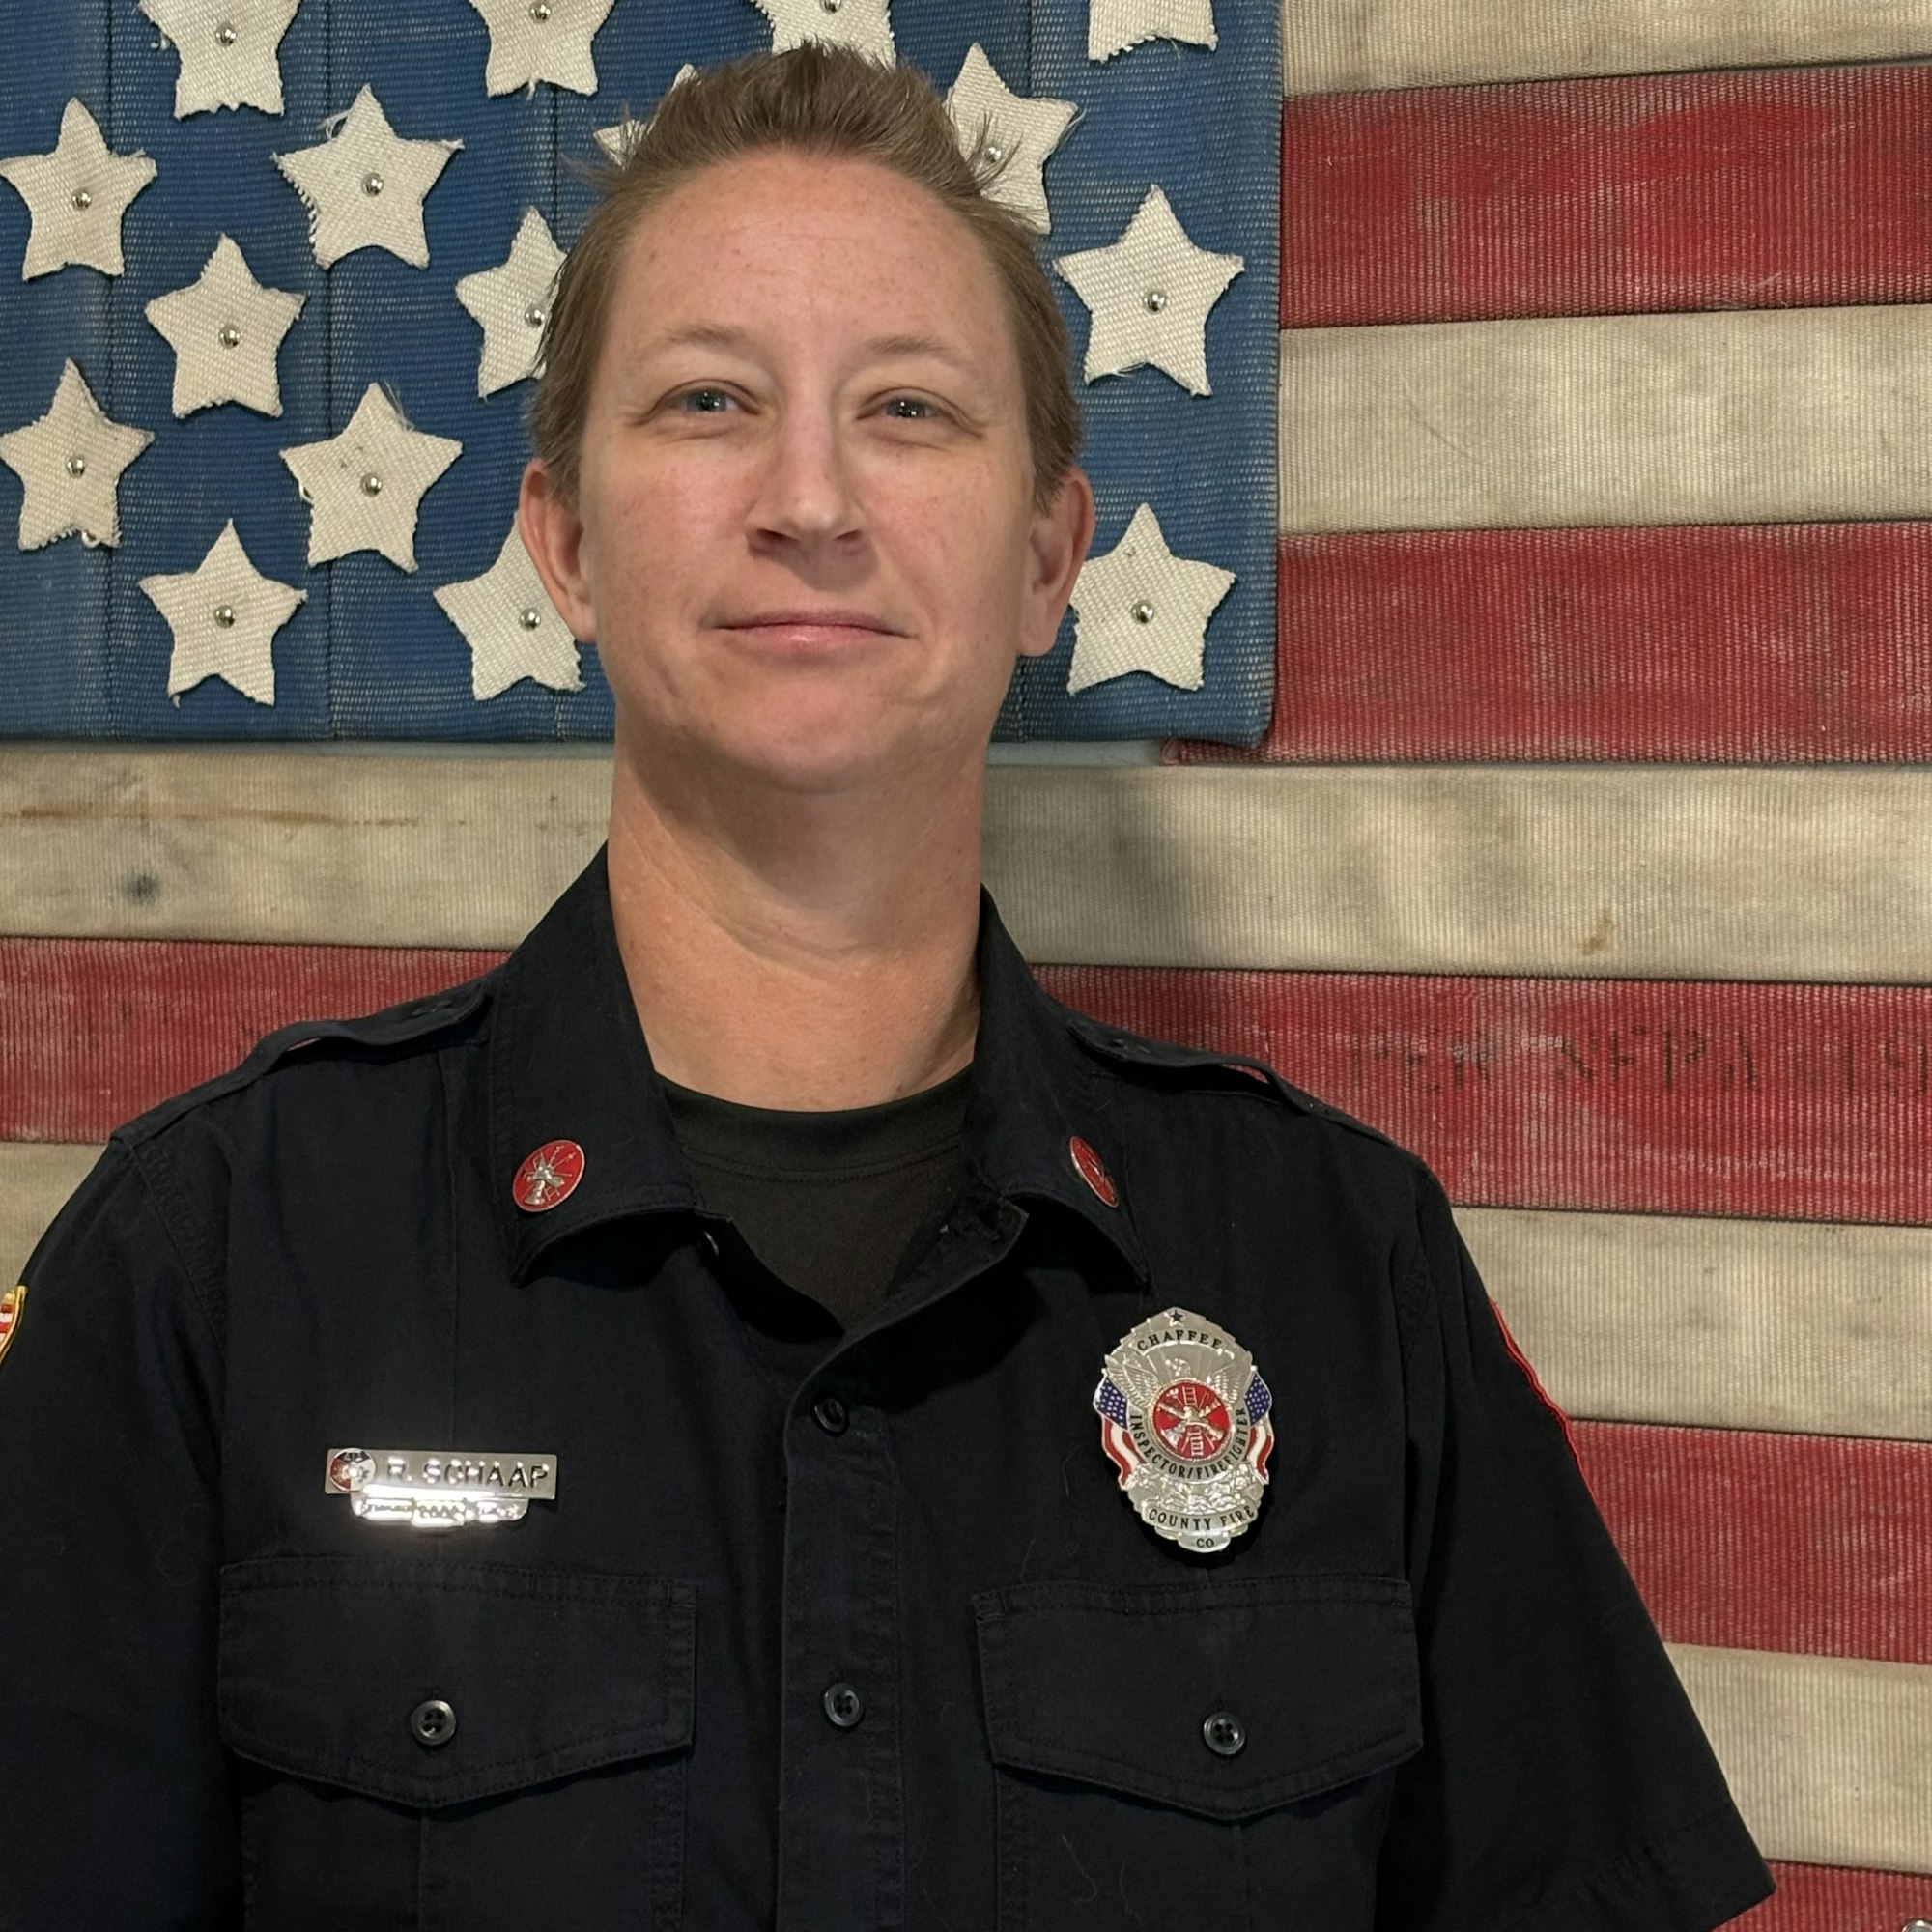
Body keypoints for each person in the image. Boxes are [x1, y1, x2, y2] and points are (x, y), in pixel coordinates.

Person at [0, 44, 1773, 1932]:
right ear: (566, 542)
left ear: (1047, 555)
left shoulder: (1337, 1271)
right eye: (707, 399)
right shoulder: (218, 1260)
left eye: (909, 409)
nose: (811, 498)